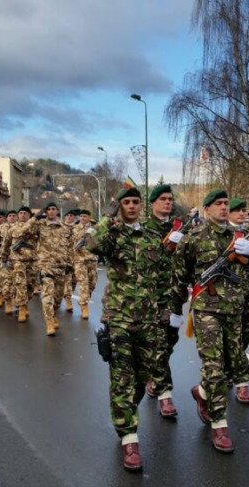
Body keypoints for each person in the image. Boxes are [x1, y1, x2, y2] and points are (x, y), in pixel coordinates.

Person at [172, 189, 249, 453]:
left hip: (234, 310)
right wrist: (176, 308)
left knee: (231, 366)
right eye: (218, 204)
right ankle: (219, 424)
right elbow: (179, 275)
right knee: (214, 366)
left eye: (226, 203)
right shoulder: (193, 238)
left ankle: (201, 393)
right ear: (207, 208)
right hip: (206, 310)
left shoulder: (239, 238)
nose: (224, 207)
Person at [86, 186, 162, 472]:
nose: (131, 206)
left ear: (141, 205)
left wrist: (168, 311)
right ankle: (128, 435)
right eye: (125, 202)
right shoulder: (112, 234)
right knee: (122, 376)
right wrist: (107, 218)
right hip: (118, 317)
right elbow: (91, 244)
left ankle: (125, 411)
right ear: (119, 206)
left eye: (134, 202)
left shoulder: (153, 236)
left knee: (144, 375)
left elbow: (162, 275)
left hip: (148, 318)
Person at [143, 184, 183, 418]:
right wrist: (164, 247)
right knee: (159, 344)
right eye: (163, 199)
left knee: (169, 341)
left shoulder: (180, 228)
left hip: (175, 296)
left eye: (170, 199)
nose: (167, 202)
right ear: (153, 203)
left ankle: (153, 372)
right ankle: (164, 394)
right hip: (152, 297)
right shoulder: (144, 229)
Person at [20, 202, 72, 335]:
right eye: (48, 209)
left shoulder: (65, 227)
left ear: (57, 211)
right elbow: (23, 230)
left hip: (61, 265)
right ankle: (48, 322)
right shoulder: (40, 225)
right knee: (48, 294)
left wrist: (70, 264)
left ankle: (54, 314)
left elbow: (70, 247)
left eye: (53, 209)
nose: (51, 212)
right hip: (45, 265)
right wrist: (35, 217)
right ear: (46, 211)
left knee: (58, 296)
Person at [228, 198, 249, 351]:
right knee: (231, 336)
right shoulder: (224, 233)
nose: (241, 213)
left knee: (247, 331)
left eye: (243, 210)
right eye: (237, 210)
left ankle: (239, 359)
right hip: (230, 293)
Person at [1, 206, 38, 323]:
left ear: (29, 215)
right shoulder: (12, 229)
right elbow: (6, 244)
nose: (22, 215)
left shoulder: (36, 227)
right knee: (20, 283)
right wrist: (4, 259)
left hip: (32, 260)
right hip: (17, 260)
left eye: (25, 213)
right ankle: (21, 307)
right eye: (20, 213)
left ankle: (24, 302)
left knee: (30, 285)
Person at [71, 209, 98, 320]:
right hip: (79, 260)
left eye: (85, 216)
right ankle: (84, 306)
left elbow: (99, 240)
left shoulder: (95, 228)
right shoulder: (75, 228)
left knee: (92, 283)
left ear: (89, 217)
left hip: (92, 258)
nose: (83, 218)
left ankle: (85, 298)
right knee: (83, 282)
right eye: (81, 216)